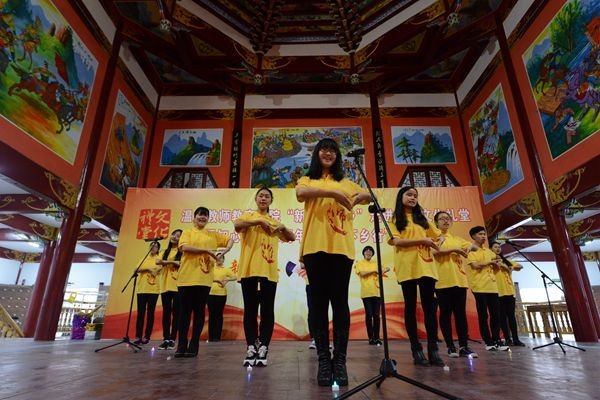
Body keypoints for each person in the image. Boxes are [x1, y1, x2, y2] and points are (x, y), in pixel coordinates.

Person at [296, 137, 370, 387]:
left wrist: (358, 198)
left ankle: (340, 360)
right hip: (314, 247)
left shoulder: (347, 183)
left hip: (341, 248)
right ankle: (323, 360)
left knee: (339, 302)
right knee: (318, 304)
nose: (328, 154)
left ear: (337, 156)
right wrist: (333, 193)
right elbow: (301, 193)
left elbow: (370, 196)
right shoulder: (308, 179)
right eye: (324, 150)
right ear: (317, 154)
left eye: (333, 151)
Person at [234, 186, 295, 367]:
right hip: (249, 271)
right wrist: (259, 221)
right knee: (250, 310)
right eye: (260, 196)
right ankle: (251, 346)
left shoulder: (274, 222)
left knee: (267, 311)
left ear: (271, 201)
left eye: (267, 196)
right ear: (256, 199)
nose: (263, 198)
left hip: (268, 272)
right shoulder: (248, 217)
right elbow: (237, 226)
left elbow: (291, 237)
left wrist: (283, 227)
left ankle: (264, 347)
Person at [388, 186, 445, 367]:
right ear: (401, 197)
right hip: (407, 267)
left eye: (415, 196)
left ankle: (433, 349)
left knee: (430, 308)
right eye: (409, 195)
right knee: (410, 307)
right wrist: (422, 240)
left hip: (426, 265)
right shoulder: (395, 219)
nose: (413, 198)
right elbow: (397, 241)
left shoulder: (422, 219)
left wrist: (438, 240)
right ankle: (416, 349)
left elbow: (439, 236)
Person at [175, 206, 233, 358]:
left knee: (199, 312)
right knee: (184, 313)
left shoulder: (212, 234)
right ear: (194, 217)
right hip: (186, 279)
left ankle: (194, 344)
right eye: (200, 215)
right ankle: (181, 345)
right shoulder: (187, 232)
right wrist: (206, 251)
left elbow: (230, 239)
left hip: (204, 280)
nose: (203, 217)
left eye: (205, 215)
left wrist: (225, 250)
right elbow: (184, 247)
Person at [432, 211, 478, 358]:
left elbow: (475, 247)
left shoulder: (457, 239)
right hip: (442, 280)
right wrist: (454, 250)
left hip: (459, 280)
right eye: (442, 219)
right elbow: (433, 253)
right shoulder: (435, 238)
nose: (445, 221)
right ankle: (450, 346)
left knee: (460, 314)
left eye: (448, 218)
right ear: (436, 223)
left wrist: (469, 248)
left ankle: (464, 346)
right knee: (445, 314)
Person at [466, 227, 509, 351]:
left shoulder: (490, 252)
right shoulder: (472, 250)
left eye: (484, 234)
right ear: (473, 236)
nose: (483, 236)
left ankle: (497, 339)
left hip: (492, 286)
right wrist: (489, 263)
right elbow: (475, 265)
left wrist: (497, 264)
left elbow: (495, 268)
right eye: (480, 234)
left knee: (496, 314)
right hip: (479, 286)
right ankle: (488, 341)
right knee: (483, 315)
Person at [490, 241, 525, 347]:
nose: (498, 249)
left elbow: (520, 266)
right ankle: (507, 338)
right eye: (495, 247)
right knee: (502, 317)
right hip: (498, 292)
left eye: (499, 247)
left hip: (510, 291)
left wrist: (511, 267)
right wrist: (501, 266)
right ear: (490, 249)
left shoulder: (506, 260)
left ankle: (516, 339)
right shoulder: (490, 261)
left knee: (511, 316)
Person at [354, 245, 389, 346]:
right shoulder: (360, 263)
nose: (368, 252)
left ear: (372, 254)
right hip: (366, 293)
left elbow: (387, 268)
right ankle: (371, 338)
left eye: (370, 251)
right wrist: (374, 271)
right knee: (369, 315)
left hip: (377, 292)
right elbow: (362, 273)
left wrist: (384, 270)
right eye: (366, 251)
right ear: (363, 253)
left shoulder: (376, 262)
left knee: (376, 315)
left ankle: (377, 337)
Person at [156, 229, 182, 350]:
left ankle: (172, 339)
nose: (174, 237)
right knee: (166, 313)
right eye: (173, 234)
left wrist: (166, 262)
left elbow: (181, 263)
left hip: (177, 285)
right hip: (165, 285)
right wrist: (169, 262)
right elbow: (158, 262)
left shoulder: (182, 251)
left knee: (176, 314)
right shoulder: (164, 251)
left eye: (178, 236)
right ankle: (166, 338)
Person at [133, 240, 161, 345]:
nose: (153, 247)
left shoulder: (159, 259)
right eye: (151, 245)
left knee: (150, 314)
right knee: (140, 314)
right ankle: (138, 336)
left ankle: (147, 336)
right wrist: (148, 268)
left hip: (153, 290)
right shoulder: (144, 258)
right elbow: (136, 269)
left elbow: (157, 271)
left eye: (155, 246)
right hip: (142, 289)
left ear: (158, 249)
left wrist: (146, 269)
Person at [207, 253, 236, 342]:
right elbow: (206, 278)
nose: (219, 259)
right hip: (211, 293)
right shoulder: (211, 268)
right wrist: (217, 280)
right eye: (217, 258)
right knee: (211, 314)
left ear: (223, 260)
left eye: (221, 258)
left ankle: (217, 336)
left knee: (219, 315)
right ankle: (211, 336)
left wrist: (227, 279)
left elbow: (235, 277)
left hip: (222, 294)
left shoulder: (226, 270)